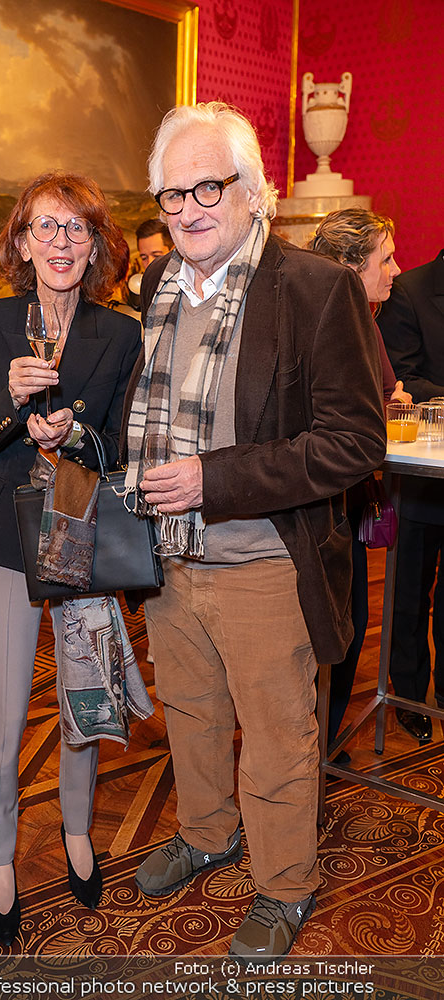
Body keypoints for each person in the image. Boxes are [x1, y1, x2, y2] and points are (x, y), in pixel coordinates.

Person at [120, 102, 386, 961]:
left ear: (251, 190)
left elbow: (353, 443)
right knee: (190, 714)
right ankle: (206, 833)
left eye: (207, 187)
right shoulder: (156, 286)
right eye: (172, 194)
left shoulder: (313, 287)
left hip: (266, 560)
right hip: (169, 557)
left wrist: (214, 478)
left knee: (276, 736)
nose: (188, 208)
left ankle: (284, 884)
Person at [0, 172, 142, 946]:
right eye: (45, 226)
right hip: (4, 539)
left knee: (82, 699)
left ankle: (75, 829)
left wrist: (75, 436)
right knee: (3, 715)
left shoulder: (119, 333)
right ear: (22, 242)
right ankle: (0, 856)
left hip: (78, 533)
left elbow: (119, 444)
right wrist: (10, 404)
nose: (61, 242)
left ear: (95, 246)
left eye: (76, 228)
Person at [307, 208, 411, 752]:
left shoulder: (364, 320)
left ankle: (322, 743)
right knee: (329, 631)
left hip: (347, 501)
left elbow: (388, 395)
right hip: (319, 507)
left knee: (349, 625)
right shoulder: (323, 321)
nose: (396, 270)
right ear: (350, 265)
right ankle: (311, 751)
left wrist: (395, 401)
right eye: (385, 259)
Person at [378, 247, 444, 743]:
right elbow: (402, 378)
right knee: (409, 594)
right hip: (420, 476)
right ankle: (409, 695)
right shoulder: (410, 290)